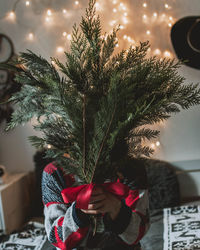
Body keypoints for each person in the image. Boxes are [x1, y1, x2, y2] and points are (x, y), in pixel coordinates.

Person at [41, 157, 150, 250]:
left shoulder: (133, 168)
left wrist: (116, 208)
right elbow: (56, 238)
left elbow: (139, 232)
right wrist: (78, 212)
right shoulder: (53, 172)